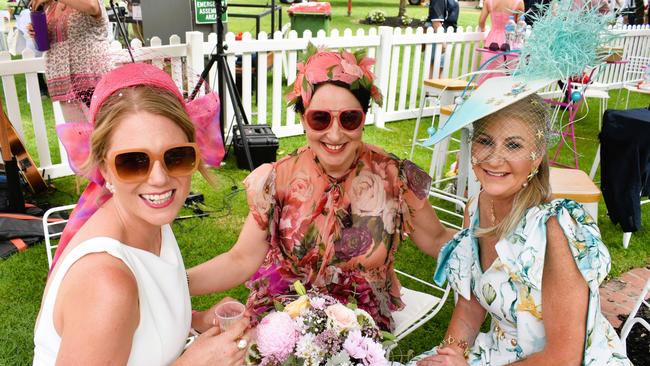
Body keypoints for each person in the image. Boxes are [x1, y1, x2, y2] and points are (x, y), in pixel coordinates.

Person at [187, 48, 456, 332]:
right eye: (320, 119)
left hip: (359, 324)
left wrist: (493, 248)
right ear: (303, 119)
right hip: (285, 314)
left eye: (349, 118)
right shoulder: (278, 179)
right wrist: (174, 284)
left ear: (364, 117)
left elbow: (439, 240)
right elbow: (240, 258)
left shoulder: (395, 177)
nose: (335, 134)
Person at [32, 63, 245, 365]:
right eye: (133, 162)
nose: (159, 179)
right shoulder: (105, 284)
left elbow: (146, 311)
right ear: (104, 167)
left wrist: (196, 319)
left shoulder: (147, 219)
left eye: (176, 156)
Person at [407, 82, 631, 365]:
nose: (494, 158)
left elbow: (565, 358)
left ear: (537, 157)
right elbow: (469, 305)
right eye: (486, 141)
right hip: (501, 354)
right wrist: (449, 355)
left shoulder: (555, 229)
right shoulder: (477, 207)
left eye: (513, 145)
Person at [28, 0, 112, 122]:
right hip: (64, 84)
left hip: (91, 79)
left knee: (101, 134)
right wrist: (36, 32)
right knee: (77, 137)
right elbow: (50, 41)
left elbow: (92, 6)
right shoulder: (51, 6)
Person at [477, 0, 524, 83]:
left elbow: (481, 21)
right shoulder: (519, 2)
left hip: (492, 39)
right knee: (506, 71)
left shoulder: (488, 1)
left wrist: (484, 29)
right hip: (509, 40)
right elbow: (520, 24)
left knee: (488, 70)